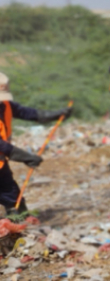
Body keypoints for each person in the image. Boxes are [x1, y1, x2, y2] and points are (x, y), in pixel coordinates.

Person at [0, 73, 72, 214]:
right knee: (11, 197)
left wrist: (55, 115)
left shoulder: (5, 105)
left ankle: (16, 225)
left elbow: (26, 113)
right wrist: (26, 157)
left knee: (12, 198)